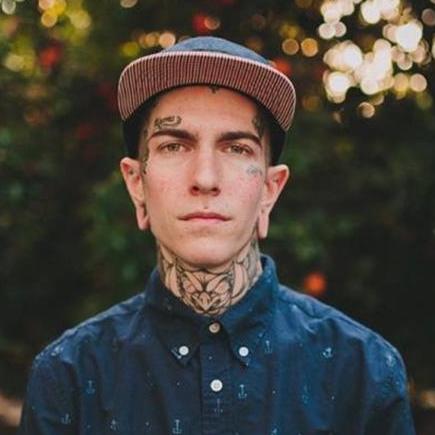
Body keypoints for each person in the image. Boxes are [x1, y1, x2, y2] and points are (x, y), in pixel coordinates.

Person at [19, 36, 415, 434]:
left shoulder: (362, 373)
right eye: (174, 146)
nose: (205, 178)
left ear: (269, 190)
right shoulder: (69, 378)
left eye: (236, 148)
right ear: (137, 183)